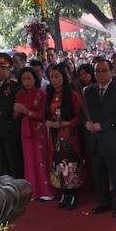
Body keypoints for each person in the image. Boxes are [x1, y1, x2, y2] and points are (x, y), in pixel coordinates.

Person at [81, 58, 116, 218]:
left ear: (111, 72)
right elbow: (82, 113)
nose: (100, 74)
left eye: (104, 70)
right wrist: (86, 124)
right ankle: (104, 202)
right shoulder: (89, 91)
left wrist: (103, 126)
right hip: (95, 141)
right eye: (97, 71)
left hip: (113, 141)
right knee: (99, 175)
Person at [44, 63, 84, 210]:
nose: (54, 80)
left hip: (69, 135)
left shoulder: (72, 95)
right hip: (54, 136)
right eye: (51, 77)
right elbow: (45, 114)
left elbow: (78, 117)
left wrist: (65, 123)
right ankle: (64, 193)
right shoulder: (49, 94)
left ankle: (73, 194)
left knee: (70, 163)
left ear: (64, 77)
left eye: (57, 76)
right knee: (57, 162)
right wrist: (48, 122)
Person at [12, 67, 54, 201]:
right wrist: (17, 111)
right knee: (29, 161)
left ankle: (46, 190)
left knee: (41, 159)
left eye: (29, 78)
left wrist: (27, 111)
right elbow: (15, 116)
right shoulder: (19, 94)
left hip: (39, 130)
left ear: (34, 79)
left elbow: (44, 115)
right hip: (26, 131)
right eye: (24, 79)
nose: (26, 81)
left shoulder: (41, 94)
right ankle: (33, 191)